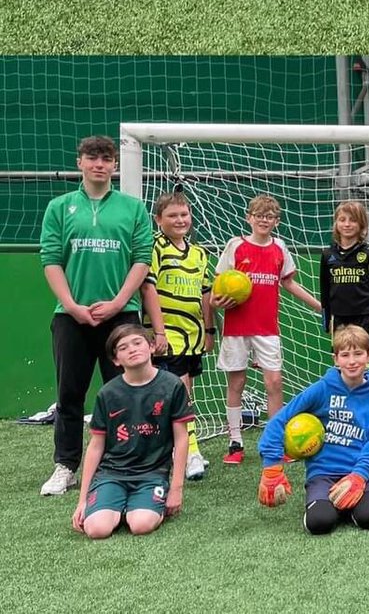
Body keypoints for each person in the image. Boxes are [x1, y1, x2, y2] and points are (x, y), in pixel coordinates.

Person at [39, 136, 154, 497]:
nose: (99, 164)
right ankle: (66, 466)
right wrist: (72, 306)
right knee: (69, 393)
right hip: (70, 316)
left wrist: (120, 302)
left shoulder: (133, 208)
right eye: (93, 158)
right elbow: (51, 260)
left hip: (121, 316)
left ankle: (129, 462)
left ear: (115, 165)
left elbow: (141, 259)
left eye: (106, 158)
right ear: (80, 163)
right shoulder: (59, 207)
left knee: (126, 392)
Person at [212, 193, 322, 465]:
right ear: (249, 218)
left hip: (267, 329)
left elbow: (290, 283)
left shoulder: (279, 248)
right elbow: (218, 285)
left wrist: (319, 305)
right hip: (237, 327)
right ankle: (235, 443)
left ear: (276, 221)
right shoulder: (235, 246)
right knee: (237, 382)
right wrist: (215, 301)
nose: (264, 220)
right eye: (259, 215)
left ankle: (273, 442)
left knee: (274, 383)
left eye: (270, 216)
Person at [257, 324, 369, 534]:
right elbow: (279, 421)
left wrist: (359, 476)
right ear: (336, 359)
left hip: (356, 472)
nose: (352, 361)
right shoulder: (322, 389)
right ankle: (327, 505)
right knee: (320, 523)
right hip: (322, 474)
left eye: (358, 354)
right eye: (345, 355)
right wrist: (272, 466)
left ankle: (351, 501)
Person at [71, 324, 191, 539]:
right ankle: (114, 505)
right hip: (112, 473)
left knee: (141, 525)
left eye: (138, 343)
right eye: (123, 347)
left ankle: (136, 507)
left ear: (152, 346)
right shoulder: (108, 393)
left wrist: (176, 488)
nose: (132, 349)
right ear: (116, 359)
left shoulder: (172, 386)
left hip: (152, 474)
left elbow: (181, 439)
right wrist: (82, 500)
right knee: (96, 530)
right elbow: (96, 446)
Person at [139, 191, 213, 481]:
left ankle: (176, 450)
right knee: (179, 395)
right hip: (168, 337)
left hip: (193, 337)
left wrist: (209, 331)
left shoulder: (199, 253)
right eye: (172, 215)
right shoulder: (154, 248)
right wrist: (158, 332)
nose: (180, 220)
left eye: (184, 214)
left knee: (185, 394)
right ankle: (190, 452)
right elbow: (148, 289)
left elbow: (206, 294)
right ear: (158, 220)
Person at [319, 201, 369, 346]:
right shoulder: (328, 255)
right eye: (342, 219)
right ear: (336, 224)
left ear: (362, 224)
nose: (347, 224)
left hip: (365, 316)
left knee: (363, 359)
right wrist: (326, 318)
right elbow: (324, 289)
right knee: (341, 360)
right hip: (338, 317)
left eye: (353, 220)